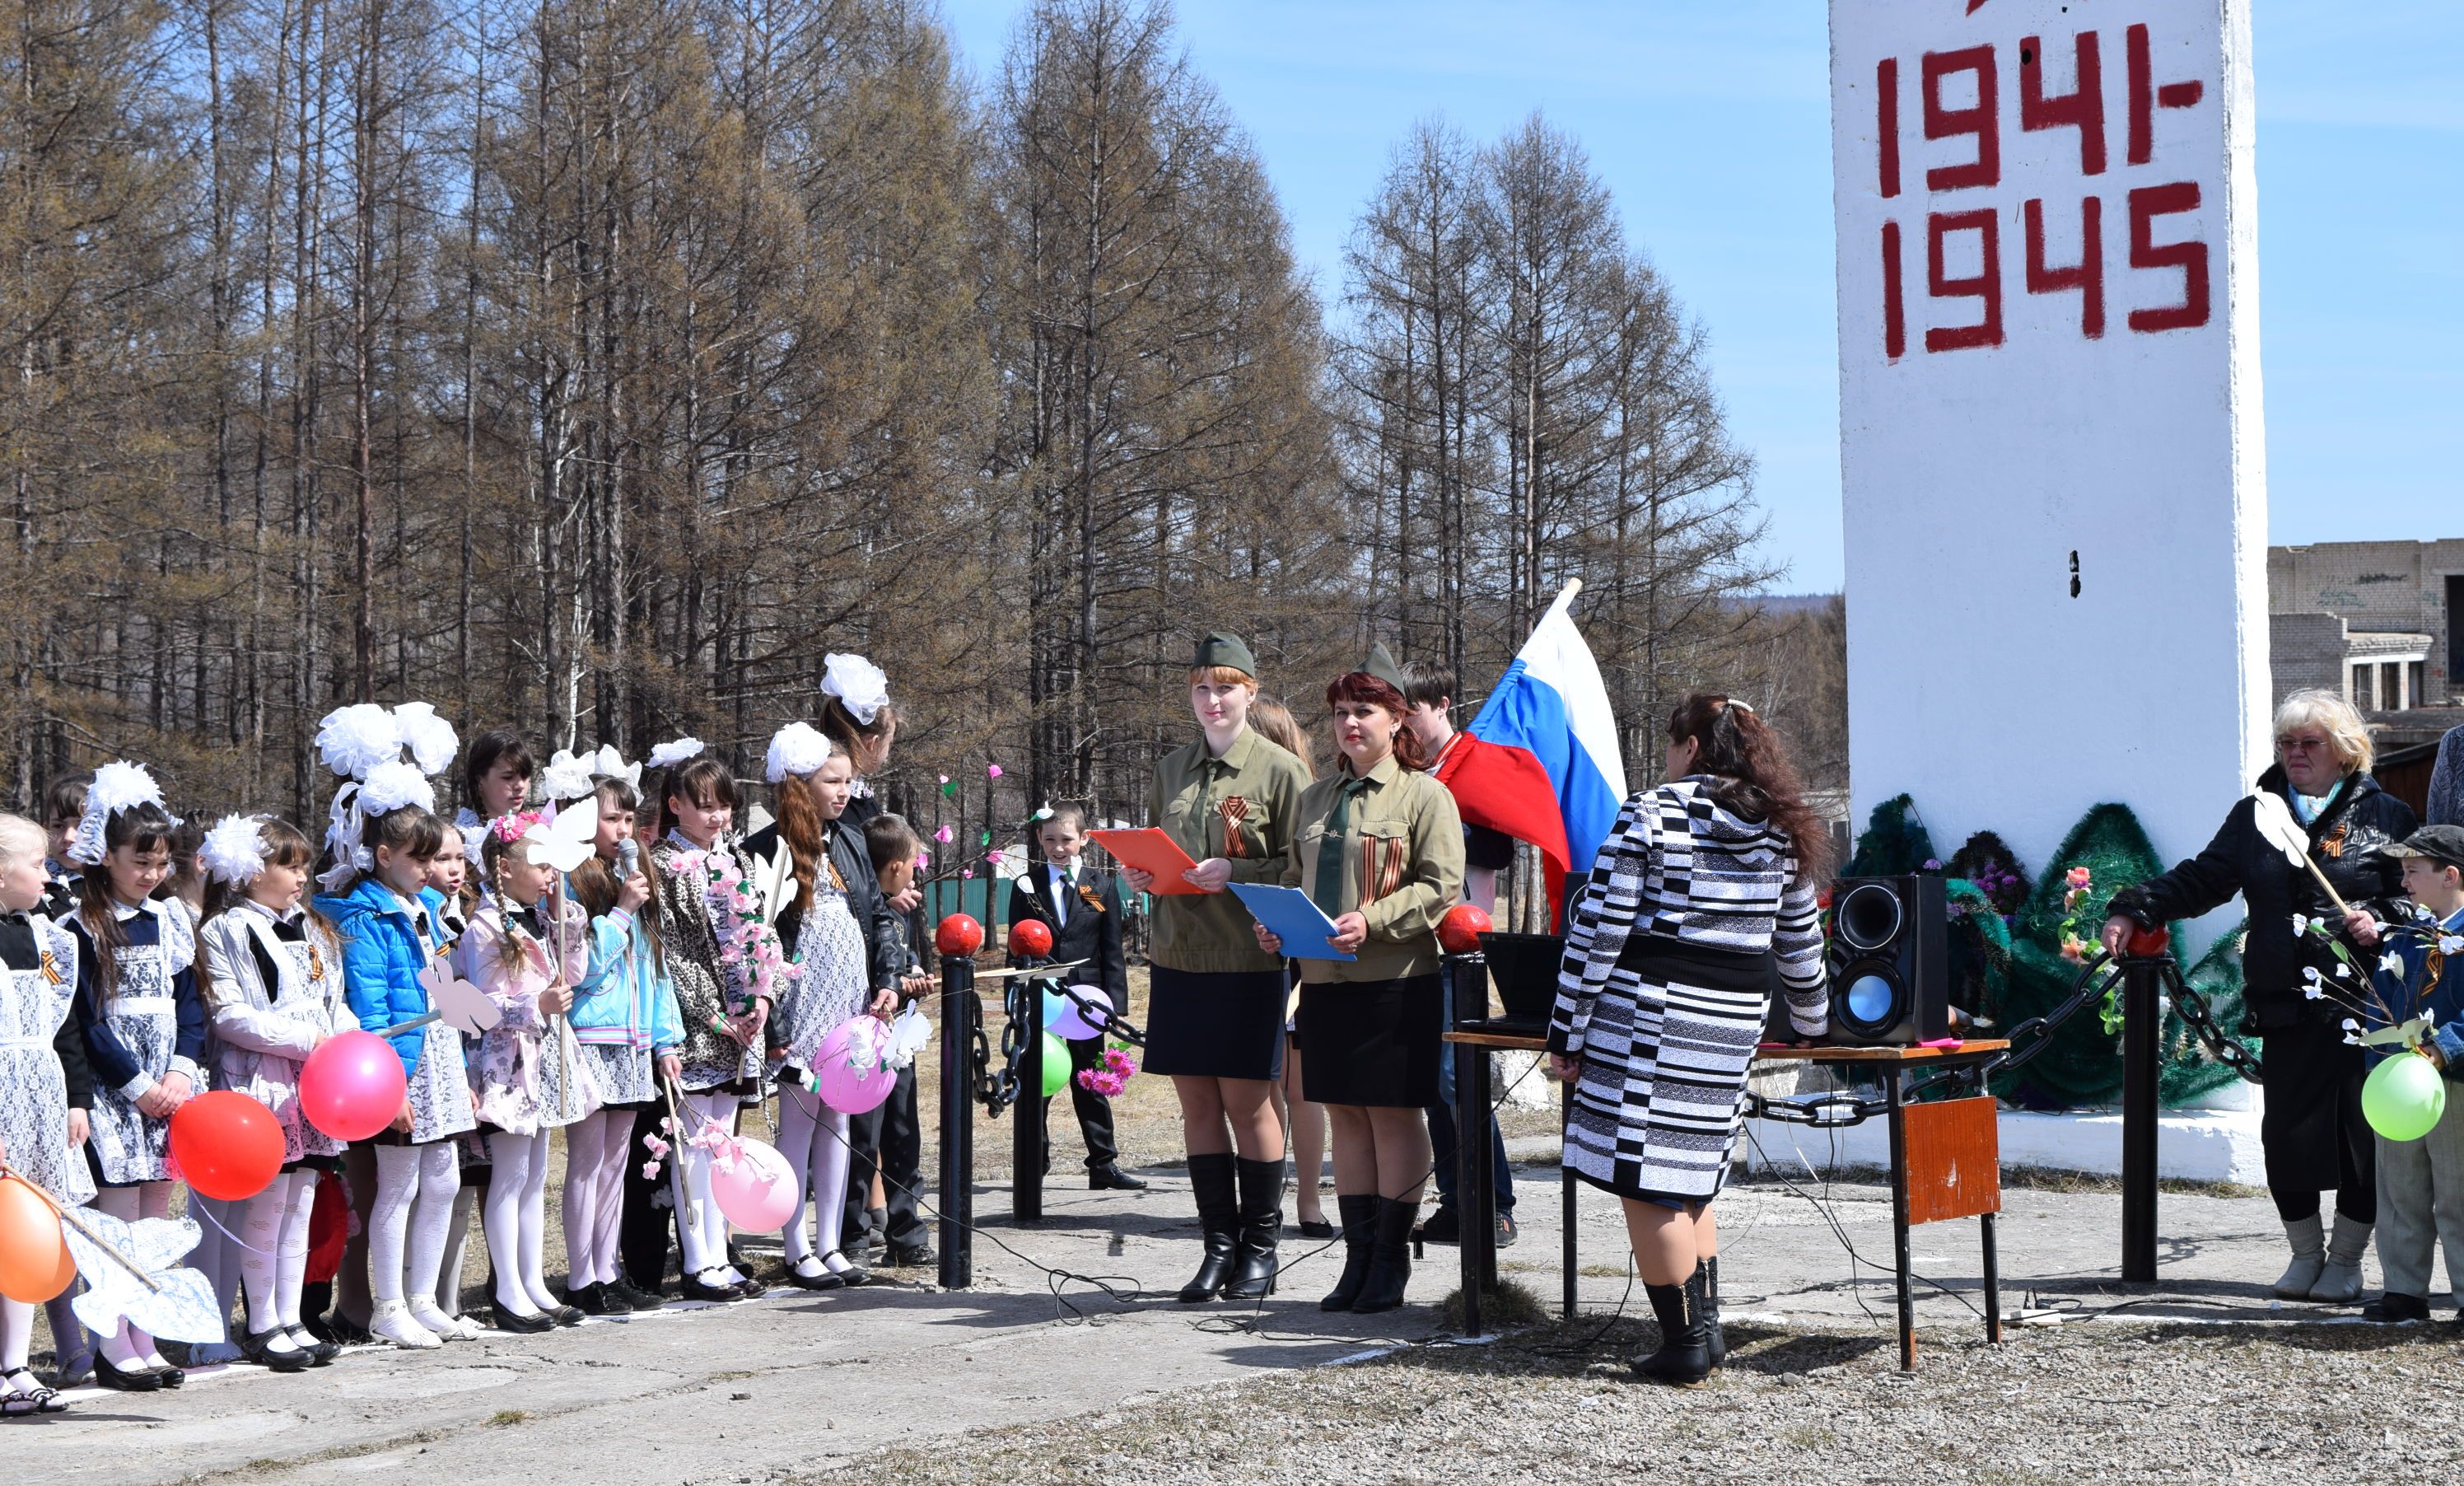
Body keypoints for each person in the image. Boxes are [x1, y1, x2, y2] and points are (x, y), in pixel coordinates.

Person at [1547, 694, 1829, 1384]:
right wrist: (1814, 1024)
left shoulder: (1654, 811)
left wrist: (1566, 1029)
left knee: (1646, 1183)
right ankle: (1705, 1335)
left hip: (1646, 1019)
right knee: (1693, 1179)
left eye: (1674, 745)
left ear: (1693, 749)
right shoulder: (1781, 826)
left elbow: (1599, 930)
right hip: (1731, 1021)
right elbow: (1800, 940)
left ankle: (1681, 1348)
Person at [2102, 689, 2416, 1303]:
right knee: (2287, 1138)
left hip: (2366, 1005)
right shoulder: (2257, 815)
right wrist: (2132, 908)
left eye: (2310, 744)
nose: (2296, 754)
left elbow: (2419, 898)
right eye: (2286, 744)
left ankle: (2347, 1261)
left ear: (2344, 751)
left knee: (2361, 1138)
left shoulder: (2387, 817)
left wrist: (2382, 915)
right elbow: (2203, 878)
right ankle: (2306, 1255)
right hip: (2285, 1001)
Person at [1258, 645, 1465, 1314]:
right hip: (1321, 983)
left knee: (1392, 1116)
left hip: (1396, 978)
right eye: (1342, 713)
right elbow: (1294, 877)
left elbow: (1441, 887)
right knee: (1345, 1115)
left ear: (1395, 718)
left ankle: (1390, 1263)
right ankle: (1355, 1258)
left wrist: (1372, 921)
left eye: (1365, 711)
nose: (1350, 724)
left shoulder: (1425, 794)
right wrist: (1277, 925)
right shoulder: (1317, 797)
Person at [1127, 633, 1309, 1304]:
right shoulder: (1172, 770)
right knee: (1197, 1103)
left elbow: (1299, 869)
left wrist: (1239, 871)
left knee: (1247, 1100)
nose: (1212, 701)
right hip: (1179, 955)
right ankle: (1217, 1247)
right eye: (1202, 688)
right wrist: (1144, 873)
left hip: (1247, 957)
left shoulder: (1281, 773)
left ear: (1250, 694)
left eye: (1225, 688)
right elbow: (1158, 847)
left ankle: (1261, 1248)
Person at [66, 762, 204, 1390]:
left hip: (168, 1091)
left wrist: (180, 1072)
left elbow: (190, 1005)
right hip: (117, 1094)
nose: (152, 876)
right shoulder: (81, 928)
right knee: (117, 1221)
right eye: (139, 863)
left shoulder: (172, 920)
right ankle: (111, 1344)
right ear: (106, 857)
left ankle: (145, 1335)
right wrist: (137, 1086)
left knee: (154, 1217)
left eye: (161, 865)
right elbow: (88, 1023)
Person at [197, 817, 349, 1372]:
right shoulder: (227, 930)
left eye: (303, 864)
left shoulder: (313, 928)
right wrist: (308, 1040)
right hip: (262, 1082)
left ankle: (290, 1317)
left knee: (301, 1202)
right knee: (268, 1204)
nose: (301, 875)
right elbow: (230, 1014)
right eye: (289, 864)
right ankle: (261, 1320)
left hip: (314, 1086)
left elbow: (333, 1002)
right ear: (249, 872)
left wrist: (347, 1042)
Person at [745, 724, 884, 1290]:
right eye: (833, 780)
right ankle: (796, 1244)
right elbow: (759, 940)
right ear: (801, 785)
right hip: (801, 1007)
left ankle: (831, 1243)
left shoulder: (848, 841)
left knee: (839, 1122)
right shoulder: (769, 849)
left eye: (849, 780)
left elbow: (877, 911)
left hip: (849, 1003)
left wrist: (888, 981)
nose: (844, 791)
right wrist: (774, 1021)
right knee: (800, 1124)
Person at [645, 743, 780, 1301]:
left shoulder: (738, 860)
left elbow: (760, 932)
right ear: (675, 805)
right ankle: (698, 1261)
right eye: (704, 806)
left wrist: (762, 996)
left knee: (724, 1141)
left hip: (742, 1023)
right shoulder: (663, 866)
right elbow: (670, 950)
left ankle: (721, 1254)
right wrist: (714, 1014)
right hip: (697, 1024)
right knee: (695, 1143)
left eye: (724, 805)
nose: (717, 816)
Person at [815, 653, 935, 1267]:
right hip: (853, 981)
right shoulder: (840, 819)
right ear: (868, 739)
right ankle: (854, 1225)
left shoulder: (867, 813)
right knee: (861, 1112)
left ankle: (905, 1226)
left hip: (890, 977)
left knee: (901, 1109)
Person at [1398, 659, 1519, 1251]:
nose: (1407, 725)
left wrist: (1435, 822)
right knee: (1426, 1080)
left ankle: (1495, 1204)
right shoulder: (1402, 767)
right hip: (1407, 938)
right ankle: (1455, 1201)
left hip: (1461, 941)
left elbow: (1501, 845)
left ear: (1442, 704)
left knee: (1457, 1078)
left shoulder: (1475, 764)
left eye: (1412, 712)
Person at [564, 761, 684, 1314]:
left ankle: (609, 1269)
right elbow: (581, 968)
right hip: (592, 1036)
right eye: (612, 817)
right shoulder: (573, 881)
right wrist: (620, 912)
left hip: (634, 1042)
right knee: (587, 1162)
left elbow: (655, 970)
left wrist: (665, 1040)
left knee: (617, 1163)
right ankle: (581, 1277)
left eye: (629, 818)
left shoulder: (634, 881)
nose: (622, 829)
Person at [2348, 825, 2464, 1324]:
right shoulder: (2410, 934)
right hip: (2400, 1086)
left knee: (2458, 1191)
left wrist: (2443, 1050)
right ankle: (2403, 1291)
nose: (2404, 882)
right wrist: (2381, 1059)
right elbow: (2384, 1003)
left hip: (2454, 1087)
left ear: (2451, 875)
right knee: (2399, 1190)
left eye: (2413, 871)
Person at [0, 812, 91, 1417]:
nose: (46, 872)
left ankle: (14, 1363)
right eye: (36, 863)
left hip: (41, 1095)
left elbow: (66, 1029)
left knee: (26, 1232)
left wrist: (76, 1098)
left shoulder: (44, 935)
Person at [1006, 805, 1141, 1190]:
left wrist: (1114, 1004)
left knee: (1092, 1080)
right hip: (1041, 997)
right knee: (1039, 1080)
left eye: (1066, 839)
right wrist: (1014, 998)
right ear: (1039, 841)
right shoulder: (1025, 886)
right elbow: (1016, 946)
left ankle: (1103, 1164)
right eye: (1050, 840)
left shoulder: (1098, 886)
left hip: (1087, 1001)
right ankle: (1035, 1161)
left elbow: (1111, 946)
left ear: (1084, 839)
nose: (1058, 848)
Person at [1248, 696, 1328, 1237]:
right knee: (1263, 1082)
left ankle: (1310, 1196)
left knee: (1302, 1086)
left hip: (1300, 949)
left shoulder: (1309, 796)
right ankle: (1265, 1192)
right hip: (1244, 949)